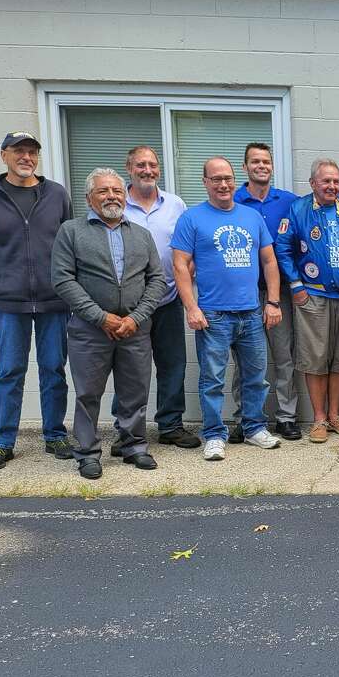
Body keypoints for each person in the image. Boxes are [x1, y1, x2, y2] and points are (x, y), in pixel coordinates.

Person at [0, 130, 74, 471]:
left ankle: (55, 435)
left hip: (53, 300)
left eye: (32, 152)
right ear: (4, 156)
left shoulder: (56, 194)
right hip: (8, 301)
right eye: (18, 151)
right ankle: (2, 442)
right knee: (10, 371)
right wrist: (6, 278)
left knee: (54, 370)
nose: (26, 157)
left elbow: (68, 244)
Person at [51, 169, 166, 479]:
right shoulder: (71, 231)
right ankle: (87, 453)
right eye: (103, 191)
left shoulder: (140, 234)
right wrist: (99, 317)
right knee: (88, 394)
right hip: (90, 331)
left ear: (125, 196)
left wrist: (135, 318)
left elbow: (156, 279)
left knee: (135, 392)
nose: (112, 196)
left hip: (134, 329)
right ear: (90, 197)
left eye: (116, 191)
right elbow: (62, 279)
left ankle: (134, 446)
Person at [171, 157, 284, 461]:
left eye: (228, 178)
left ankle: (254, 428)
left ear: (236, 180)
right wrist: (190, 307)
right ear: (205, 182)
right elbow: (180, 265)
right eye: (216, 179)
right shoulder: (192, 218)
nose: (223, 184)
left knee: (256, 377)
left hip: (251, 312)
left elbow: (270, 261)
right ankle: (213, 435)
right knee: (213, 380)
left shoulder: (251, 217)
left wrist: (272, 301)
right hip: (213, 315)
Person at [115, 144, 199, 453]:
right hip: (129, 306)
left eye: (152, 165)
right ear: (130, 168)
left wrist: (186, 276)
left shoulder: (175, 204)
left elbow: (189, 247)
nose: (147, 170)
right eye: (141, 165)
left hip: (168, 299)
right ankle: (126, 431)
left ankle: (170, 426)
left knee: (172, 364)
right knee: (129, 369)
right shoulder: (117, 203)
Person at [275, 158, 339, 442]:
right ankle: (319, 419)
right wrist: (296, 285)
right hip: (313, 295)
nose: (332, 186)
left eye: (336, 181)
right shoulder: (298, 209)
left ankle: (336, 415)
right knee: (315, 358)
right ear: (313, 183)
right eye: (326, 181)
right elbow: (282, 248)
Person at [230, 142, 301, 441]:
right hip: (240, 294)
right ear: (245, 167)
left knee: (284, 357)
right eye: (255, 161)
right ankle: (245, 418)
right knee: (243, 360)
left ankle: (286, 416)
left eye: (266, 162)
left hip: (279, 292)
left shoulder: (286, 201)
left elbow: (319, 200)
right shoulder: (231, 200)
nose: (262, 166)